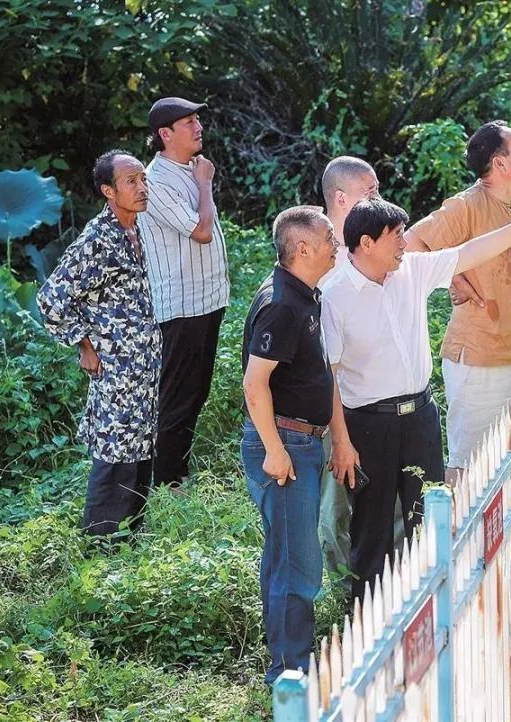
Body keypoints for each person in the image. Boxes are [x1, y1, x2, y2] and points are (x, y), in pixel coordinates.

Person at [322, 197, 511, 600]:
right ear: (366, 243)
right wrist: (341, 441)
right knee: (372, 527)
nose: (405, 243)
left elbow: (471, 251)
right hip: (368, 423)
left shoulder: (411, 270)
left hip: (420, 416)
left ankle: (435, 604)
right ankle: (368, 613)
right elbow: (329, 376)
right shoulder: (335, 296)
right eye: (396, 236)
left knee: (429, 514)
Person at [240, 206, 341, 683]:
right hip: (285, 444)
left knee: (285, 555)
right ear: (303, 248)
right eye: (329, 238)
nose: (336, 245)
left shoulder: (304, 294)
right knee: (298, 564)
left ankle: (287, 658)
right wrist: (275, 450)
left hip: (301, 441)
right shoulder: (281, 304)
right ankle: (289, 673)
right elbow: (254, 383)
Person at [404, 121, 511, 482]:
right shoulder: (467, 204)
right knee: (470, 466)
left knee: (508, 460)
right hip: (478, 357)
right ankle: (456, 520)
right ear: (499, 163)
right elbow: (411, 244)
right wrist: (452, 277)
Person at [38, 150, 160, 535]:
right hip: (116, 368)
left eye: (143, 179)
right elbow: (51, 299)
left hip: (143, 366)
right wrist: (84, 346)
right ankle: (100, 546)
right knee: (115, 453)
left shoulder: (135, 230)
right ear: (109, 191)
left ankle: (129, 538)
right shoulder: (97, 240)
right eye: (131, 182)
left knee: (140, 450)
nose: (142, 188)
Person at [139, 96, 231, 490]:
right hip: (181, 307)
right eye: (189, 122)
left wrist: (201, 180)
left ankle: (177, 473)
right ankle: (166, 483)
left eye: (197, 120)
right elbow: (202, 231)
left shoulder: (190, 168)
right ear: (165, 134)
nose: (199, 127)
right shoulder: (155, 181)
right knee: (177, 397)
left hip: (208, 300)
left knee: (197, 392)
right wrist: (205, 184)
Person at [314, 155, 381, 577]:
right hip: (333, 398)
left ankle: (382, 578)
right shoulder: (317, 250)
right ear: (341, 198)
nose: (378, 199)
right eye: (369, 192)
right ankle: (339, 586)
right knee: (334, 498)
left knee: (384, 497)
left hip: (377, 396)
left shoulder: (375, 242)